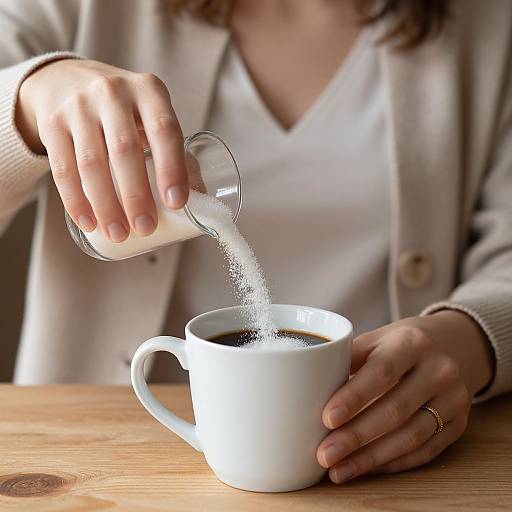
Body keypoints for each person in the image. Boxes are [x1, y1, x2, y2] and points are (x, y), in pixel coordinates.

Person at [0, 0, 511, 484]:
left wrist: (468, 339)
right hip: (94, 462)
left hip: (383, 469)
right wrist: (28, 99)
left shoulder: (491, 23)